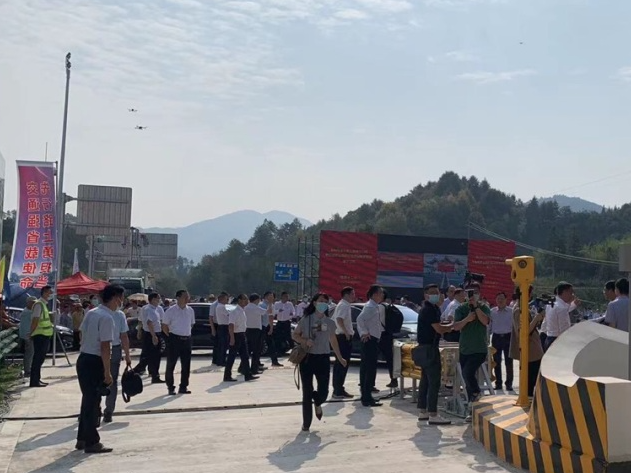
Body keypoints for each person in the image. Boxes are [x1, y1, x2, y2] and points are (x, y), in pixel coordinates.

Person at [75, 285, 122, 453]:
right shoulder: (107, 318)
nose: (120, 303)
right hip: (95, 361)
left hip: (83, 358)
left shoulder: (92, 312)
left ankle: (82, 438)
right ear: (115, 298)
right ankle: (92, 442)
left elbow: (81, 333)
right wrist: (107, 372)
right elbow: (105, 346)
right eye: (120, 298)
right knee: (93, 403)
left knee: (88, 400)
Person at [292, 292, 347, 432]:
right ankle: (306, 423)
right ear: (314, 303)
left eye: (325, 302)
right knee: (307, 392)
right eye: (321, 301)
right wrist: (305, 341)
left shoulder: (330, 322)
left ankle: (318, 401)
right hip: (307, 358)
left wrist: (339, 357)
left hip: (323, 358)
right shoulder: (306, 319)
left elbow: (333, 340)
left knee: (324, 391)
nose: (323, 304)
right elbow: (295, 335)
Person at [416, 284, 453, 425]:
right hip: (429, 349)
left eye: (437, 292)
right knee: (434, 381)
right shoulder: (429, 309)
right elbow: (439, 329)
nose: (436, 295)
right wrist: (451, 326)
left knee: (425, 380)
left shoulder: (433, 308)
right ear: (426, 295)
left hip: (425, 348)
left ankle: (423, 411)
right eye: (432, 293)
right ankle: (433, 413)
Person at [453, 283, 490, 408]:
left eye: (475, 292)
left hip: (479, 348)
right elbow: (456, 327)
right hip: (465, 348)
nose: (472, 295)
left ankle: (476, 392)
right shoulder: (461, 309)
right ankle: (472, 402)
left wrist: (476, 307)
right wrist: (467, 319)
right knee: (466, 376)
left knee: (467, 372)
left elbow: (485, 321)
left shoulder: (484, 307)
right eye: (469, 292)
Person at [509, 286, 544, 397]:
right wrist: (536, 318)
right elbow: (523, 332)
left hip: (533, 350)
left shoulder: (523, 308)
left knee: (533, 381)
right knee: (530, 381)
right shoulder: (518, 310)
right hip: (530, 352)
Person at [103, 298, 132, 423]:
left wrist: (127, 354)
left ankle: (96, 410)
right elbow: (123, 336)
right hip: (111, 348)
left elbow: (124, 336)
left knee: (99, 380)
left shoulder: (96, 312)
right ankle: (108, 411)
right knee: (112, 381)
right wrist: (127, 355)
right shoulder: (119, 315)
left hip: (105, 349)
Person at [162, 290, 195, 395]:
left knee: (186, 365)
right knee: (171, 364)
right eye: (185, 297)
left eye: (188, 297)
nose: (187, 299)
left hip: (187, 339)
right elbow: (164, 326)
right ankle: (170, 387)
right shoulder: (170, 311)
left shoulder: (190, 310)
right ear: (178, 298)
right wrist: (171, 337)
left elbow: (191, 324)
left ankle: (183, 386)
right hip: (174, 339)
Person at [357, 284, 385, 407]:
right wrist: (364, 332)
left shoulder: (374, 306)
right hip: (370, 340)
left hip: (373, 339)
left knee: (367, 369)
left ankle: (366, 396)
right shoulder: (370, 307)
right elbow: (360, 319)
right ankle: (367, 398)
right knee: (369, 370)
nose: (382, 295)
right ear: (374, 294)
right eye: (380, 293)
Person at [224, 294, 258, 382]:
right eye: (244, 299)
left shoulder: (243, 311)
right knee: (232, 356)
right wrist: (232, 338)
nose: (246, 301)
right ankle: (227, 375)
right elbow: (231, 325)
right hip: (236, 335)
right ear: (239, 300)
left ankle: (248, 375)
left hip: (242, 335)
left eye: (247, 299)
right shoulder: (235, 312)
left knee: (245, 356)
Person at [133, 293, 165, 383]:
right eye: (158, 298)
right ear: (153, 299)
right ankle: (136, 371)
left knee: (153, 356)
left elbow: (161, 321)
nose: (159, 300)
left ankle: (154, 375)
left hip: (156, 333)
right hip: (151, 334)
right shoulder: (148, 309)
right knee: (151, 356)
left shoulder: (157, 308)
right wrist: (154, 336)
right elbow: (149, 323)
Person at [332, 286, 355, 399]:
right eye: (352, 294)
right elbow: (339, 319)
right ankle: (338, 390)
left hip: (342, 336)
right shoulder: (343, 305)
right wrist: (346, 332)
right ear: (346, 294)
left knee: (341, 363)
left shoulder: (343, 305)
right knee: (342, 363)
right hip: (342, 337)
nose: (354, 296)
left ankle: (339, 388)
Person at [29, 286, 54, 388]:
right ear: (44, 293)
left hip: (44, 335)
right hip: (40, 335)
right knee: (37, 359)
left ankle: (37, 379)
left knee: (40, 359)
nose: (51, 294)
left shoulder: (43, 304)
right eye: (49, 292)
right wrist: (31, 332)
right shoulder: (39, 304)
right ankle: (34, 381)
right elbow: (35, 320)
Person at [489, 292, 514, 391]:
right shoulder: (492, 312)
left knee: (509, 362)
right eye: (498, 298)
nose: (500, 300)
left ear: (506, 300)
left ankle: (509, 384)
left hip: (508, 337)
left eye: (502, 298)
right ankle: (498, 383)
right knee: (496, 361)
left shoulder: (511, 311)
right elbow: (489, 326)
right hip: (496, 337)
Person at [243, 293, 272, 375]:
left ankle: (242, 367)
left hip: (247, 330)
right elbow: (268, 312)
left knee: (247, 350)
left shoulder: (246, 307)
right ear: (256, 300)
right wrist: (270, 303)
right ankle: (254, 369)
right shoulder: (256, 308)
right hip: (256, 331)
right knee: (256, 351)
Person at [545, 282, 575, 350]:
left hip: (549, 338)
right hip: (558, 341)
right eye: (571, 292)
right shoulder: (561, 308)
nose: (572, 295)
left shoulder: (550, 304)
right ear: (564, 292)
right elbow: (564, 329)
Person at [261, 291, 282, 367]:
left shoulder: (272, 305)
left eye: (272, 296)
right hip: (262, 326)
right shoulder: (262, 305)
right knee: (259, 345)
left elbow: (271, 316)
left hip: (268, 326)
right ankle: (257, 363)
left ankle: (274, 361)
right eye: (270, 296)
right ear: (266, 297)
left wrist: (271, 327)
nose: (272, 298)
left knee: (271, 344)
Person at [19, 297, 38, 378]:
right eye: (32, 302)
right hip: (28, 335)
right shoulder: (28, 312)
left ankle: (28, 368)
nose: (34, 304)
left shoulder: (26, 311)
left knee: (30, 353)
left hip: (27, 334)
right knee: (29, 353)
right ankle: (27, 370)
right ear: (28, 303)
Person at [215, 292, 231, 367]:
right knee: (223, 345)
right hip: (223, 327)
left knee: (222, 345)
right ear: (221, 299)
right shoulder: (221, 307)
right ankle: (222, 361)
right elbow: (229, 314)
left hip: (222, 327)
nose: (227, 300)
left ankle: (220, 360)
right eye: (226, 299)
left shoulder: (220, 306)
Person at [209, 294, 220, 365]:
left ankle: (220, 359)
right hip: (216, 325)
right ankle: (215, 360)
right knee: (216, 344)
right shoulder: (214, 305)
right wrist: (213, 329)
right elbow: (210, 317)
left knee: (221, 344)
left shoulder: (224, 305)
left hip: (222, 325)